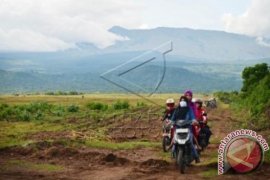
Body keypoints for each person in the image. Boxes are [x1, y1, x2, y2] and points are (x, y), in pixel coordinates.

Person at [171, 96, 200, 163]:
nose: (182, 102)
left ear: (186, 102)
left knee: (191, 142)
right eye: (181, 100)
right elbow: (173, 118)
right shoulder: (177, 109)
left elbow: (192, 117)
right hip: (178, 129)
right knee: (174, 141)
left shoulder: (189, 109)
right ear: (179, 101)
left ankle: (196, 157)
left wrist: (194, 121)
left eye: (184, 100)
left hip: (187, 128)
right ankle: (172, 154)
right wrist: (171, 122)